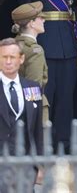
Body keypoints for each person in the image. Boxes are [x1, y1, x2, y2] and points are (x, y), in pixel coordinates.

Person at [18, 0, 77, 150]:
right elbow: (24, 16)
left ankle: (63, 142)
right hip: (42, 46)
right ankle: (42, 144)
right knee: (43, 96)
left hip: (67, 46)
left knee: (66, 96)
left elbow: (74, 11)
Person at [0, 38, 43, 190]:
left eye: (12, 57)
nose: (8, 61)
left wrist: (39, 164)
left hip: (25, 163)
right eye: (4, 57)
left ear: (22, 59)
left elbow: (37, 130)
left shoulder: (33, 88)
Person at [11, 1, 49, 124]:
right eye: (40, 17)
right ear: (31, 23)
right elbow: (33, 88)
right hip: (31, 111)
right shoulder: (35, 51)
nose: (44, 20)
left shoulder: (11, 45)